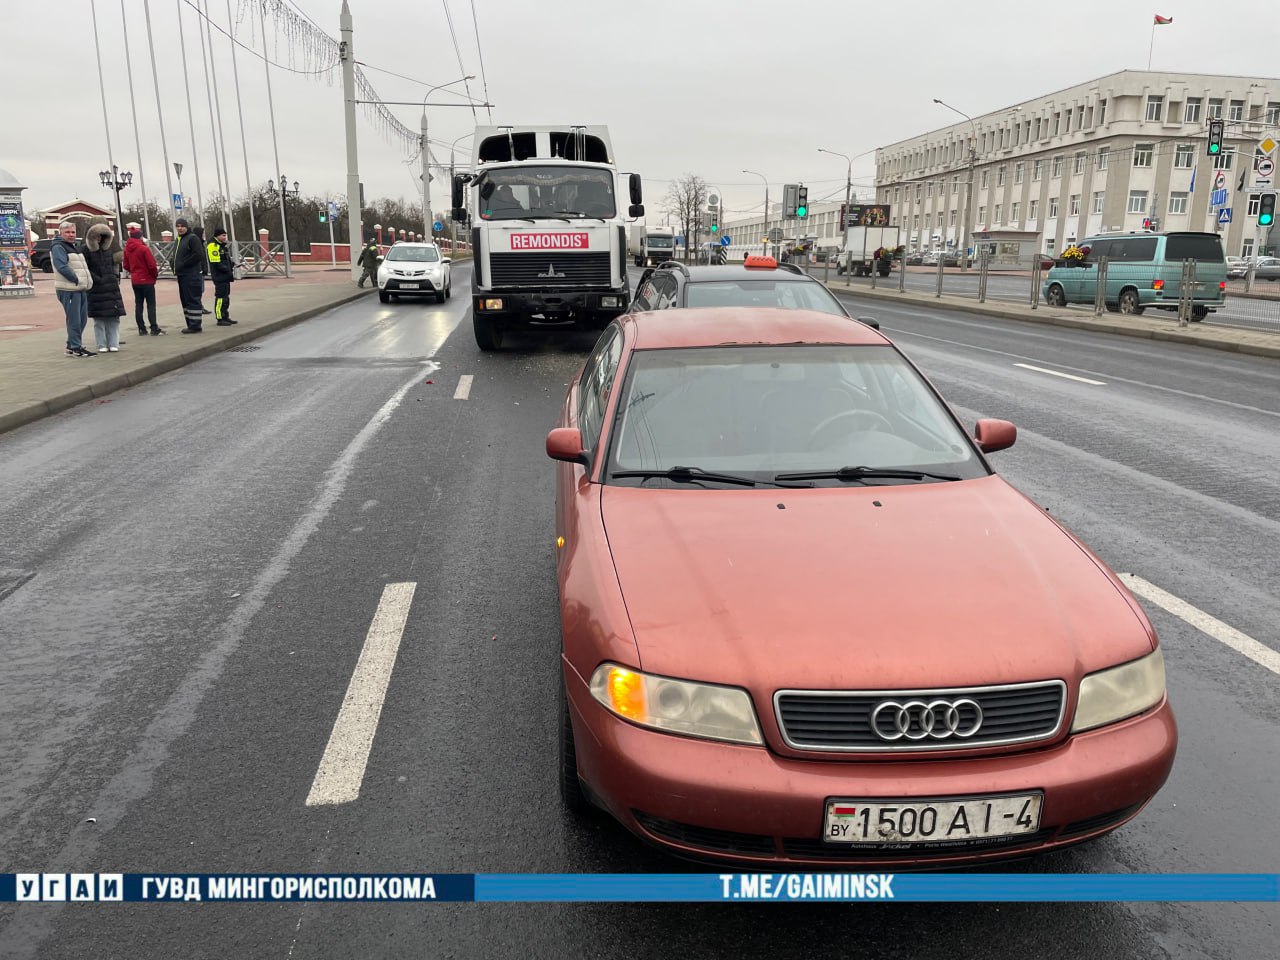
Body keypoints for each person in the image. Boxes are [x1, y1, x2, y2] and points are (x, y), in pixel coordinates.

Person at [50, 220, 94, 357]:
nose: (71, 235)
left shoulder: (73, 246)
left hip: (79, 288)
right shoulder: (58, 247)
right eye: (67, 232)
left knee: (82, 319)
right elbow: (61, 266)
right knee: (74, 320)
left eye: (73, 232)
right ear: (61, 233)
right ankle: (76, 347)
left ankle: (72, 345)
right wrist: (76, 279)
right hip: (69, 289)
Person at [83, 223, 127, 352]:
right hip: (95, 288)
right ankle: (101, 344)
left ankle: (113, 343)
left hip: (111, 287)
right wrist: (97, 279)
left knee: (113, 318)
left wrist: (114, 277)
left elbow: (115, 264)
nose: (98, 238)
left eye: (101, 236)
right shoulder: (85, 250)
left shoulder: (109, 249)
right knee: (99, 319)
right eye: (95, 236)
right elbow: (85, 268)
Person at [123, 226, 163, 336]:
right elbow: (152, 265)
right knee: (151, 304)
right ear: (140, 237)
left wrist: (134, 272)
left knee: (138, 304)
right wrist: (154, 276)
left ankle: (141, 328)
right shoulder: (144, 249)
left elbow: (125, 265)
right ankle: (154, 328)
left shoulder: (127, 249)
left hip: (135, 280)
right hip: (147, 280)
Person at [172, 218, 205, 332]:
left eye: (182, 226)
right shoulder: (179, 239)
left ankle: (195, 325)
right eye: (177, 226)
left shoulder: (192, 238)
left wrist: (183, 264)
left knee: (192, 299)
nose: (179, 228)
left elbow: (198, 255)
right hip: (182, 275)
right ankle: (190, 323)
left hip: (191, 274)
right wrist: (173, 263)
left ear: (186, 226)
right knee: (185, 300)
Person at [207, 225, 238, 325]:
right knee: (220, 297)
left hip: (225, 275)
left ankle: (225, 316)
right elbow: (216, 262)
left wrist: (233, 265)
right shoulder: (213, 246)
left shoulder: (221, 246)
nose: (225, 237)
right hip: (219, 276)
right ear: (217, 236)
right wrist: (227, 269)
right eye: (223, 235)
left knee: (226, 297)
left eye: (225, 235)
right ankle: (220, 318)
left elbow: (225, 260)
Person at [192, 224, 211, 314]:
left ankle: (199, 306)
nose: (204, 235)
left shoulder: (201, 243)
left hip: (201, 269)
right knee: (198, 289)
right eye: (202, 233)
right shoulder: (196, 243)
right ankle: (198, 307)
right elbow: (199, 257)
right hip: (197, 270)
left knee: (200, 289)